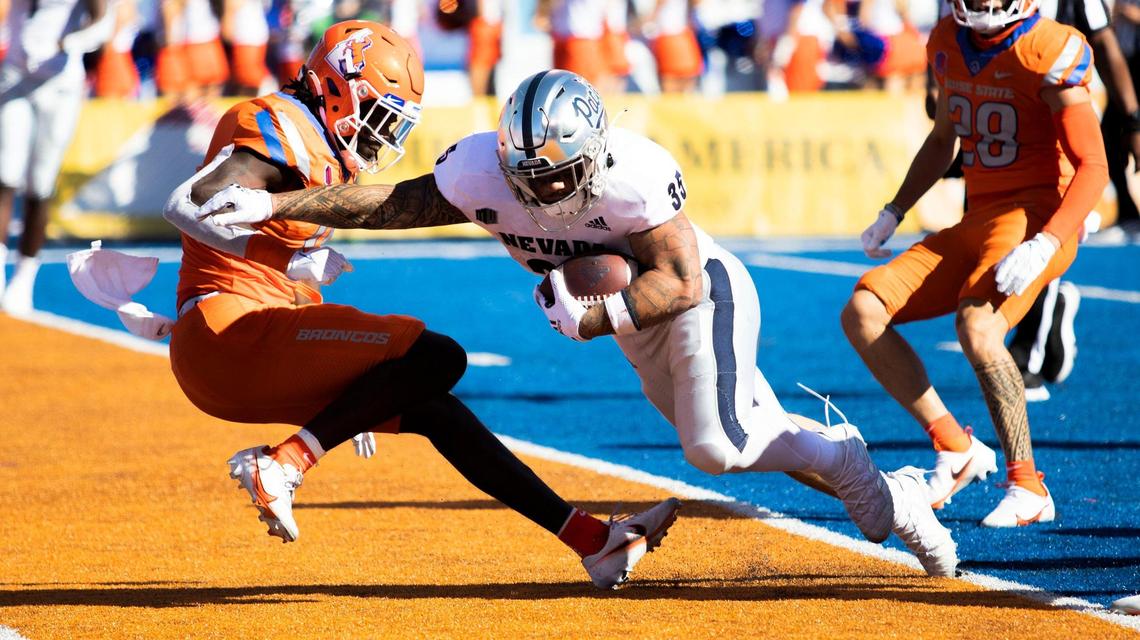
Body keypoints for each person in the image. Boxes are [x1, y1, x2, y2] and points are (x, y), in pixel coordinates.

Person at [199, 68, 961, 577]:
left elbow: (682, 276)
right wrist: (273, 204)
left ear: (594, 153)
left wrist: (599, 318)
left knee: (716, 443)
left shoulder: (634, 175)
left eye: (562, 175)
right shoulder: (478, 169)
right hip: (630, 320)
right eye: (531, 179)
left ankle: (864, 472)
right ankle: (891, 497)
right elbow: (392, 205)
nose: (547, 192)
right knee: (743, 434)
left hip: (697, 295)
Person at [161, 21, 681, 590]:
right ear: (339, 88)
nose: (382, 137)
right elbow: (189, 204)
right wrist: (283, 254)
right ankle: (283, 463)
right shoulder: (276, 123)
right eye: (380, 115)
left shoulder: (319, 148)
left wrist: (353, 395)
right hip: (227, 333)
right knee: (440, 358)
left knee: (434, 407)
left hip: (249, 339)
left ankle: (595, 543)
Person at [843, 0, 1109, 525]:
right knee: (862, 312)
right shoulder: (947, 41)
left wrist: (1049, 240)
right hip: (980, 215)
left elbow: (1093, 165)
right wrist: (896, 209)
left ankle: (1029, 485)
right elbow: (945, 139)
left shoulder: (1048, 47)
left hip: (1034, 217)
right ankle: (955, 447)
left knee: (978, 327)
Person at [0, 0, 113, 314]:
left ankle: (24, 277)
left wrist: (66, 43)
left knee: (40, 183)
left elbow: (102, 22)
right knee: (5, 175)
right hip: (14, 75)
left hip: (59, 83)